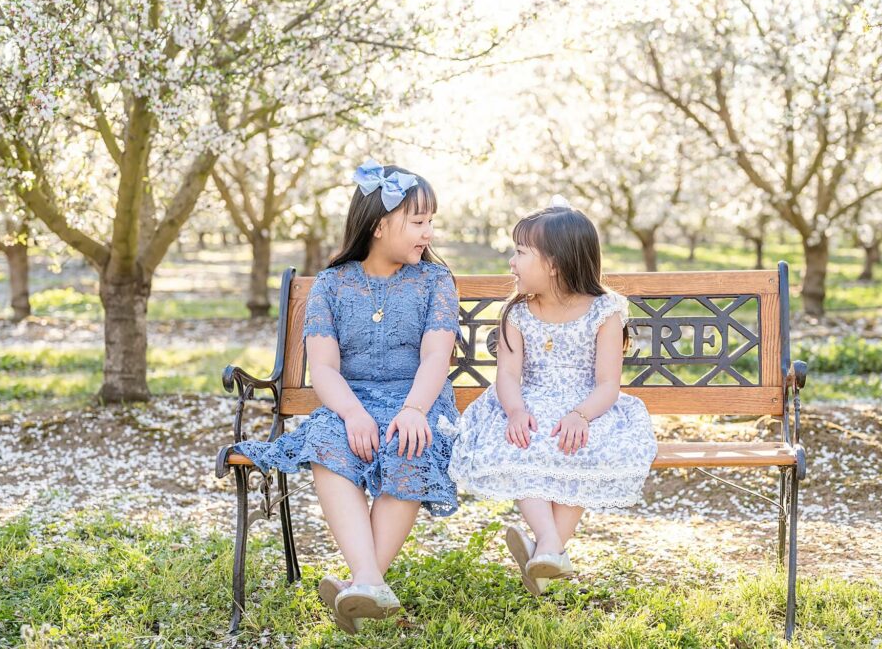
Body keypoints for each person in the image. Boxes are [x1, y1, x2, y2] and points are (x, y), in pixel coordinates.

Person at [232, 159, 460, 633]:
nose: (429, 233)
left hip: (415, 398)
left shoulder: (435, 282)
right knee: (328, 442)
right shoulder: (332, 286)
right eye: (418, 222)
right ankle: (370, 583)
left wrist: (415, 409)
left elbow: (436, 357)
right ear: (379, 226)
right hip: (346, 400)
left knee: (408, 443)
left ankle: (362, 581)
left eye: (431, 221)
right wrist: (353, 414)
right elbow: (325, 369)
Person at [448, 198, 657, 595]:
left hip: (588, 408)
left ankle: (543, 551)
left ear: (555, 263)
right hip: (527, 403)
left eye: (521, 252)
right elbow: (507, 376)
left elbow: (608, 384)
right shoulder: (517, 312)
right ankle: (550, 548)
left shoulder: (605, 311)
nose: (511, 261)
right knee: (522, 445)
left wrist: (580, 415)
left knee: (577, 447)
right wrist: (514, 411)